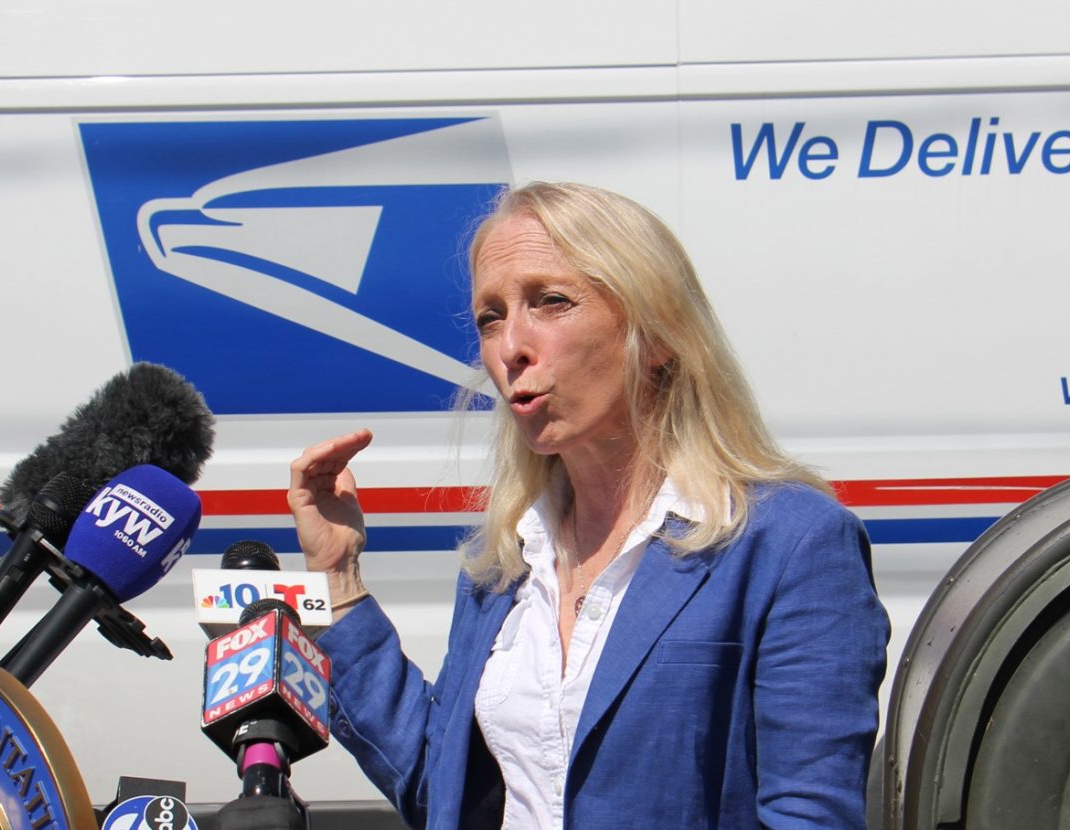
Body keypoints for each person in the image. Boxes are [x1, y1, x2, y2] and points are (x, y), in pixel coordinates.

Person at [289, 182, 890, 828]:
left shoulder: (790, 546)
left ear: (658, 334)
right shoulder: (507, 560)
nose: (510, 345)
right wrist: (340, 580)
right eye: (491, 316)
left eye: (550, 302)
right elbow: (449, 791)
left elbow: (810, 815)